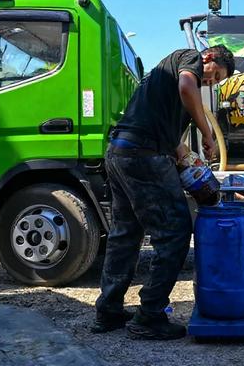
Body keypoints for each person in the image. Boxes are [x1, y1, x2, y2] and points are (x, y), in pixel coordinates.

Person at [92, 45, 235, 340]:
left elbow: (166, 131)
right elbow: (187, 86)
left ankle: (109, 311)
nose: (211, 82)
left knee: (125, 234)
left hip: (120, 153)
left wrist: (185, 153)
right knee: (175, 232)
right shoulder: (190, 57)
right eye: (216, 75)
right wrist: (208, 132)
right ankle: (150, 315)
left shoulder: (161, 79)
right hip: (144, 156)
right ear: (209, 58)